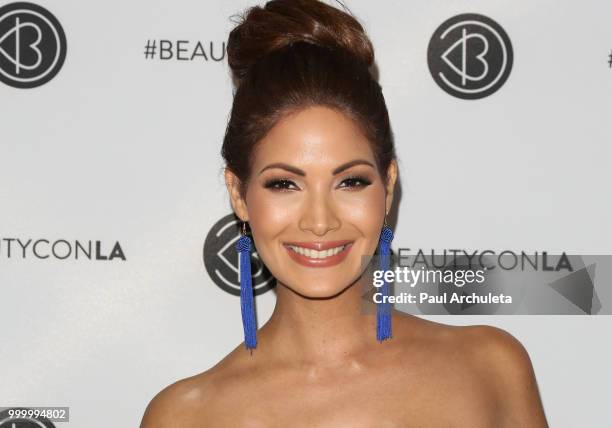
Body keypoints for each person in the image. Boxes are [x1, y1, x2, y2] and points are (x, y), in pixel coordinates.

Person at [141, 0, 549, 426]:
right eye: (284, 184)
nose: (320, 221)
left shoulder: (490, 368)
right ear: (239, 194)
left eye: (350, 181)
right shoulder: (185, 416)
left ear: (388, 186)